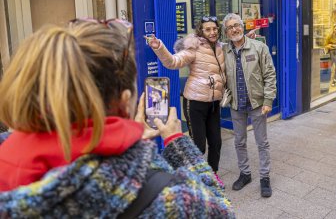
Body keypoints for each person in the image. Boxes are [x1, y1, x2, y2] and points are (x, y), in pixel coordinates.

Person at [0, 19, 234, 218]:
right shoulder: (168, 195)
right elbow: (220, 210)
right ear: (124, 101)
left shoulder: (7, 151)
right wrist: (175, 140)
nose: (212, 32)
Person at [145, 16, 225, 185]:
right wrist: (159, 47)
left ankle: (212, 173)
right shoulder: (194, 48)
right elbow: (173, 62)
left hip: (214, 103)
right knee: (199, 146)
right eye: (208, 29)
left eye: (215, 29)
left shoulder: (220, 48)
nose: (212, 32)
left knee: (216, 143)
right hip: (195, 102)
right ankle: (194, 177)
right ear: (201, 31)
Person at [222, 13, 276, 198]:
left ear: (243, 26)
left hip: (257, 103)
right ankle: (245, 173)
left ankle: (264, 177)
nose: (234, 29)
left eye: (236, 25)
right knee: (239, 142)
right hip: (236, 104)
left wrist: (268, 100)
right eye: (230, 27)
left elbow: (270, 75)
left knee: (262, 142)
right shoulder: (224, 51)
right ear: (226, 32)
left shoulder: (259, 47)